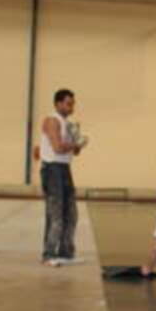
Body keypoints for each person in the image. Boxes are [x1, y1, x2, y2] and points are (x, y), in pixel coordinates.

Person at [40, 89, 88, 267]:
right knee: (56, 214)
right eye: (68, 103)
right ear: (58, 103)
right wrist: (74, 143)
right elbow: (58, 148)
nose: (72, 107)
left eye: (73, 103)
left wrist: (80, 143)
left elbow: (74, 151)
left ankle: (66, 253)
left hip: (64, 168)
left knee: (71, 213)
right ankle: (49, 254)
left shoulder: (68, 123)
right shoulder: (52, 120)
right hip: (52, 169)